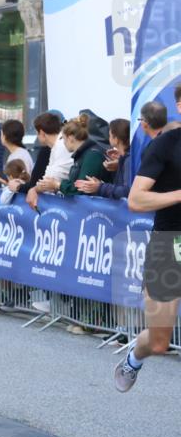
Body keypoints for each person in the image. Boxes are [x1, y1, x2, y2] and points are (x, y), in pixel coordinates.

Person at [115, 85, 181, 391]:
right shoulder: (166, 145)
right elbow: (136, 200)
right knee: (158, 342)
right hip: (171, 243)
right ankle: (133, 358)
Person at [26, 112, 74, 209]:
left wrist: (33, 189)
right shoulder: (56, 146)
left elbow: (50, 182)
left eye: (37, 133)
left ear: (42, 133)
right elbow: (47, 179)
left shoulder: (61, 146)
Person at [77, 118, 132, 199]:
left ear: (116, 139)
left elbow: (126, 191)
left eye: (109, 135)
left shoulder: (128, 160)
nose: (108, 138)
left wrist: (100, 187)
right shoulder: (128, 158)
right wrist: (120, 161)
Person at [57, 114, 111, 196]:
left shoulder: (92, 156)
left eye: (63, 138)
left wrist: (57, 185)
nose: (63, 143)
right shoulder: (85, 154)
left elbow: (80, 190)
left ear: (70, 138)